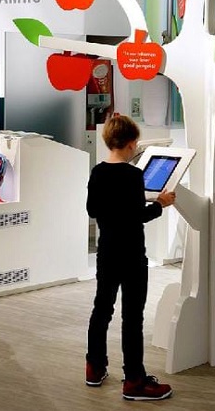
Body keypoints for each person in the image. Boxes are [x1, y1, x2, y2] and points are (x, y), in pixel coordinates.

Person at [85, 114, 176, 402]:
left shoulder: (98, 172)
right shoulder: (133, 176)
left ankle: (94, 367)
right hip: (132, 254)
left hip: (107, 252)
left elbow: (92, 210)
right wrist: (160, 204)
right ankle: (134, 380)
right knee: (132, 317)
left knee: (102, 309)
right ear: (132, 143)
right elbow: (138, 216)